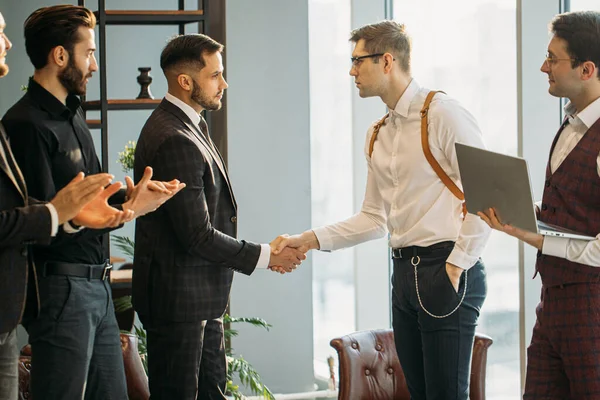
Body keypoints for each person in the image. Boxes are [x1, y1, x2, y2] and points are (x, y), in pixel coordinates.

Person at [271, 21, 490, 400]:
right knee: (419, 394)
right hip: (404, 273)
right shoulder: (379, 133)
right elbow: (374, 219)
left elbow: (487, 197)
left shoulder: (442, 114)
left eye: (358, 61)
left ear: (387, 61)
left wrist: (456, 266)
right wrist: (305, 240)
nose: (351, 71)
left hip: (445, 267)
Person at [1, 5, 185, 399]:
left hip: (98, 285)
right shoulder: (23, 124)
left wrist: (132, 199)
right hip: (60, 287)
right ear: (60, 56)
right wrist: (95, 215)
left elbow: (88, 200)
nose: (95, 65)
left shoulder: (74, 115)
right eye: (89, 53)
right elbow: (41, 219)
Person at [132, 33, 306, 400]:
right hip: (179, 305)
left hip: (199, 301)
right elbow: (196, 234)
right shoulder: (173, 137)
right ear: (185, 81)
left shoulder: (190, 124)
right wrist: (266, 255)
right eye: (215, 75)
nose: (223, 84)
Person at [480, 11, 600, 399]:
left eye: (553, 58)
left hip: (592, 308)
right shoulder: (569, 124)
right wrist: (521, 208)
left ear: (587, 69)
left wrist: (537, 239)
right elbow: (575, 208)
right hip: (553, 304)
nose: (542, 67)